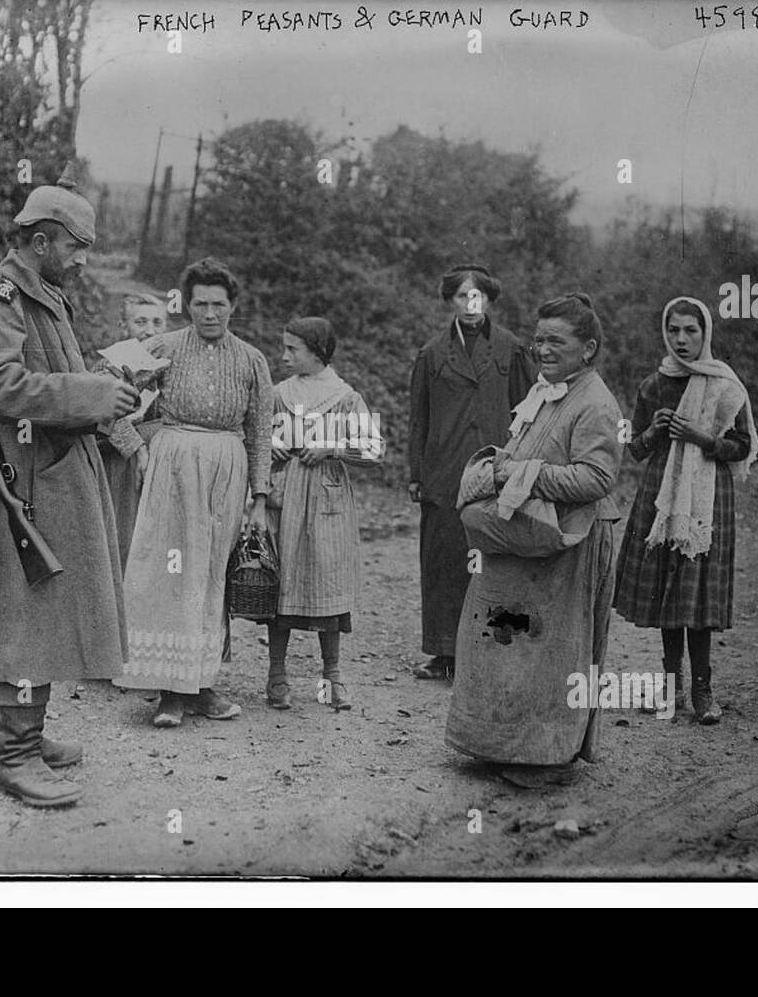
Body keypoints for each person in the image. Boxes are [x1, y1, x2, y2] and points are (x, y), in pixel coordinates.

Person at [0, 175, 138, 807]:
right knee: (26, 622)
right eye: (77, 248)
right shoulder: (1, 304)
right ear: (40, 241)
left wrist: (104, 388)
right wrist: (88, 395)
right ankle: (14, 756)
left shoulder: (44, 298)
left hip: (51, 476)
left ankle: (14, 735)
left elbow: (45, 378)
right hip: (22, 486)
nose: (84, 261)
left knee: (43, 617)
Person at [445, 293, 623, 789]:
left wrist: (516, 474)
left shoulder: (595, 403)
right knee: (507, 642)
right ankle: (498, 744)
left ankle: (546, 758)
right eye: (538, 338)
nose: (542, 349)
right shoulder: (548, 391)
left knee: (552, 652)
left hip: (570, 541)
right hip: (528, 537)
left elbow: (595, 479)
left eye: (556, 341)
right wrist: (507, 468)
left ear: (587, 349)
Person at [113, 258, 273, 727]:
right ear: (186, 304)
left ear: (233, 306)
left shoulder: (251, 360)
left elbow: (260, 432)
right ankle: (169, 691)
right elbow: (110, 391)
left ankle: (202, 685)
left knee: (210, 576)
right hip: (171, 467)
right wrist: (134, 449)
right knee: (168, 571)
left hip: (227, 470)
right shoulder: (163, 346)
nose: (208, 314)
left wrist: (259, 499)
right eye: (200, 304)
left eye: (218, 305)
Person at [613, 296, 758, 724]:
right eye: (674, 330)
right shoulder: (654, 385)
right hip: (662, 493)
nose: (681, 339)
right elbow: (635, 449)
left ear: (705, 334)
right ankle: (670, 686)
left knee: (696, 590)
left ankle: (703, 689)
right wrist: (655, 431)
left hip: (707, 495)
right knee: (667, 587)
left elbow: (743, 446)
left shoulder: (724, 384)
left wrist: (702, 437)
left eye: (690, 331)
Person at [408, 264, 534, 680]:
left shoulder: (511, 349)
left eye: (477, 295)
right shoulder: (431, 354)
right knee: (445, 559)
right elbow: (418, 420)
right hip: (445, 472)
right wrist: (417, 473)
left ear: (489, 300)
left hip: (495, 470)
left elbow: (526, 411)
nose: (470, 303)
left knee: (495, 560)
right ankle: (445, 653)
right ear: (450, 301)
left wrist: (520, 466)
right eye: (462, 295)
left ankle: (494, 648)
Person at [264, 317, 386, 711]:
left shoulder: (345, 397)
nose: (284, 356)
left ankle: (332, 674)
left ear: (317, 352)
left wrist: (333, 448)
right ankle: (277, 674)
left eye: (292, 349)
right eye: (283, 348)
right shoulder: (280, 394)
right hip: (285, 497)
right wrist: (271, 445)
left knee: (327, 583)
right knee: (281, 584)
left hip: (328, 501)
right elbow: (254, 436)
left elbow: (373, 450)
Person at [99, 293, 168, 567]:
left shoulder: (168, 362)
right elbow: (104, 415)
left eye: (157, 322)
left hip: (160, 462)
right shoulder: (111, 363)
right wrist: (137, 448)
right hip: (120, 463)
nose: (149, 330)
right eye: (140, 322)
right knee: (122, 537)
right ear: (123, 326)